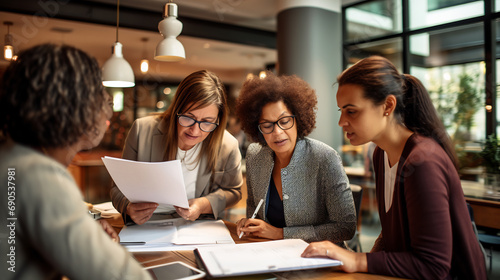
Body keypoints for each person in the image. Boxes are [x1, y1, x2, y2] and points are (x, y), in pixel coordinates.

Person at [302, 56, 487, 280]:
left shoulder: (423, 161)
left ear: (388, 106)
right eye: (341, 110)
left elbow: (433, 266)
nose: (341, 121)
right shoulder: (382, 154)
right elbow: (391, 237)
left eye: (351, 111)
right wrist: (360, 262)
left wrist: (358, 260)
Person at [0, 44, 151, 279]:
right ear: (73, 107)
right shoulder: (38, 175)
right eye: (98, 93)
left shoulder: (11, 157)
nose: (107, 104)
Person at [235, 73, 356, 244]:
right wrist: (249, 225)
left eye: (284, 121)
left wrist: (280, 234)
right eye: (267, 125)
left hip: (320, 261)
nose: (277, 132)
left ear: (298, 119)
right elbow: (254, 209)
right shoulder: (255, 156)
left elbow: (345, 228)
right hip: (270, 255)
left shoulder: (324, 158)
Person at [111, 70, 243, 225]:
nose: (195, 131)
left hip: (198, 227)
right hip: (147, 226)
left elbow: (234, 191)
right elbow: (117, 189)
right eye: (188, 118)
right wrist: (128, 207)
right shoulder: (142, 130)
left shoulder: (228, 145)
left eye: (207, 122)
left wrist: (203, 205)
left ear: (218, 120)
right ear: (176, 110)